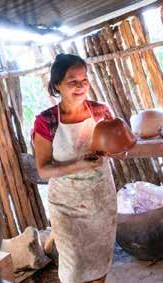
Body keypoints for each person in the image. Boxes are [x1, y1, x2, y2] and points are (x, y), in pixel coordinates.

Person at [32, 54, 117, 283]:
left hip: (101, 199)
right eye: (72, 81)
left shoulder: (101, 111)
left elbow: (120, 144)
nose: (81, 86)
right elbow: (43, 170)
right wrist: (80, 164)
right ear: (57, 85)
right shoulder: (46, 121)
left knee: (100, 264)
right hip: (67, 205)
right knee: (75, 269)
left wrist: (118, 147)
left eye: (84, 80)